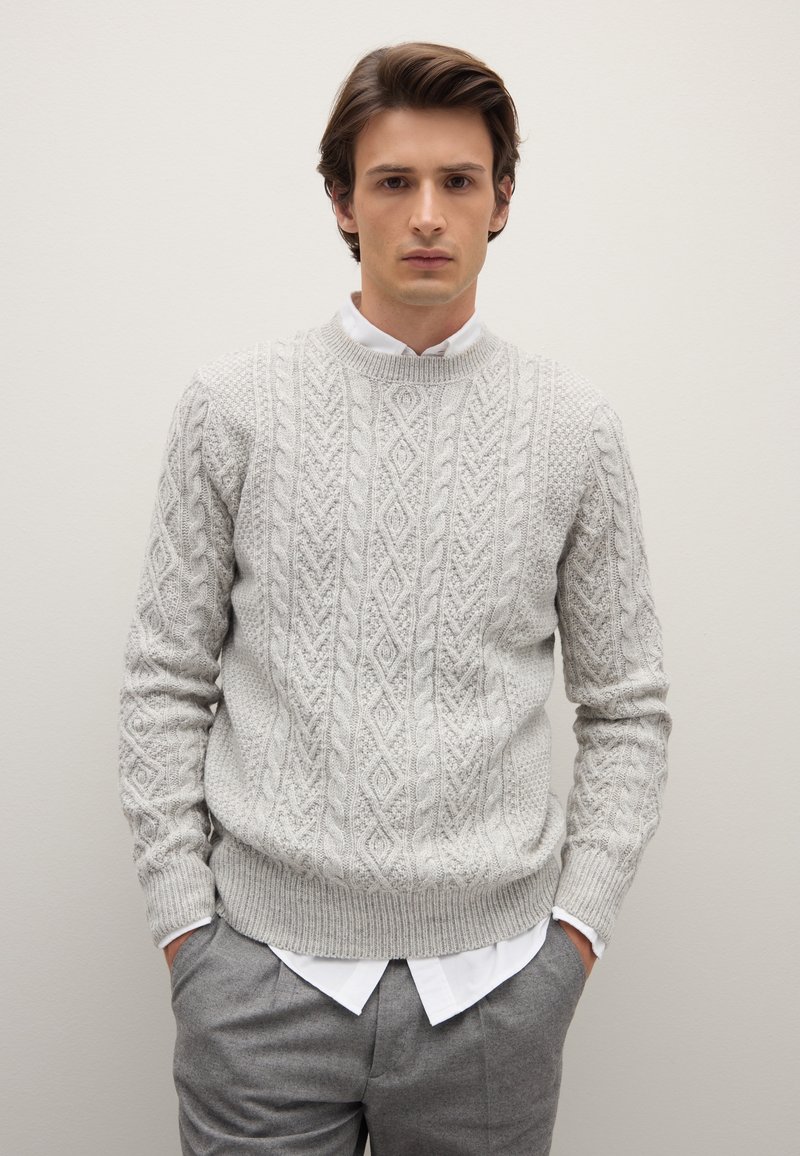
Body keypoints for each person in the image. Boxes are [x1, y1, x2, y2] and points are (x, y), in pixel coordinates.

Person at [118, 40, 672, 1156]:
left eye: (458, 181)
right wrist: (188, 932)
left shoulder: (573, 430)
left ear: (500, 201)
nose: (426, 215)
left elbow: (626, 706)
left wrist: (573, 937)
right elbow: (165, 681)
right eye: (392, 181)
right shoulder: (234, 409)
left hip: (496, 994)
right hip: (259, 982)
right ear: (341, 201)